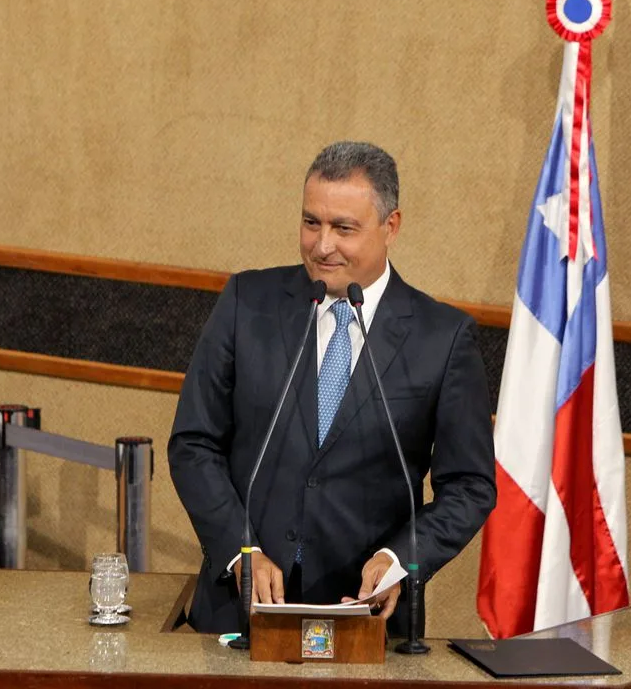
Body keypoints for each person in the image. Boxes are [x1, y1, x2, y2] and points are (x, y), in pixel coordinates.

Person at [168, 141, 496, 635]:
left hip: (362, 619)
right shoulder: (246, 302)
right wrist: (240, 551)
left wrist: (400, 559)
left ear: (392, 226)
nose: (322, 246)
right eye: (311, 223)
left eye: (344, 228)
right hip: (241, 612)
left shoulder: (442, 338)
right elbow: (194, 443)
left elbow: (470, 485)